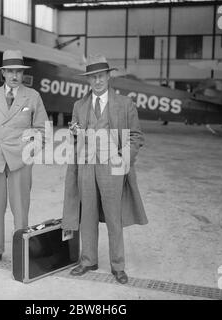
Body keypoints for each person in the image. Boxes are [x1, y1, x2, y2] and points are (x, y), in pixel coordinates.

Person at [62, 54, 148, 284]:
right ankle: (88, 260)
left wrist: (123, 158)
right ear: (88, 80)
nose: (97, 81)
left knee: (114, 217)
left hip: (113, 166)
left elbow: (136, 136)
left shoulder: (124, 103)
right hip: (87, 166)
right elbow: (74, 137)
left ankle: (118, 266)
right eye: (93, 77)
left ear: (109, 76)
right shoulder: (79, 106)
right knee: (87, 215)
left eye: (101, 76)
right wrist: (75, 136)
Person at [0, 50, 48, 267]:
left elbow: (43, 130)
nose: (14, 75)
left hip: (20, 160)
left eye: (18, 71)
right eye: (10, 71)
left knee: (20, 208)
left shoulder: (33, 96)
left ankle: (21, 251)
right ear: (3, 74)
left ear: (23, 73)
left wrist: (30, 151)